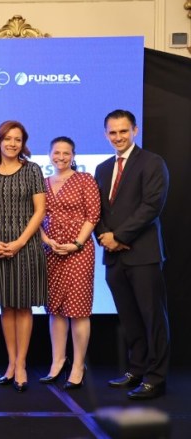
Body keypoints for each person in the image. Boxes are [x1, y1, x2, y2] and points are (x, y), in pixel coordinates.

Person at [94, 110, 170, 400]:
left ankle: (156, 378)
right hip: (114, 258)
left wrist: (120, 237)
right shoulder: (102, 168)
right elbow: (96, 210)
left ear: (134, 131)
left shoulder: (152, 162)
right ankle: (136, 369)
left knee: (153, 319)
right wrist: (105, 237)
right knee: (129, 318)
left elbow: (151, 206)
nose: (118, 137)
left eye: (123, 131)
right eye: (112, 133)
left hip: (144, 255)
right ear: (106, 135)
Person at [0, 120, 47, 393]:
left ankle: (21, 365)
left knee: (23, 306)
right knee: (6, 306)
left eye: (17, 139)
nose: (12, 143)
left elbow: (40, 211)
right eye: (7, 138)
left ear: (23, 143)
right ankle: (10, 363)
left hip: (26, 245)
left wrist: (19, 242)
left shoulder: (32, 170)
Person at [39, 137, 100, 390]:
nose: (61, 157)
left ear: (74, 155)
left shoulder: (85, 180)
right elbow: (36, 218)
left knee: (78, 310)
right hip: (50, 251)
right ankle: (57, 362)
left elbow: (93, 215)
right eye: (57, 152)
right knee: (55, 309)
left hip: (79, 251)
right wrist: (47, 241)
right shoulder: (42, 183)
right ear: (50, 155)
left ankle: (78, 366)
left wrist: (76, 243)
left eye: (66, 153)